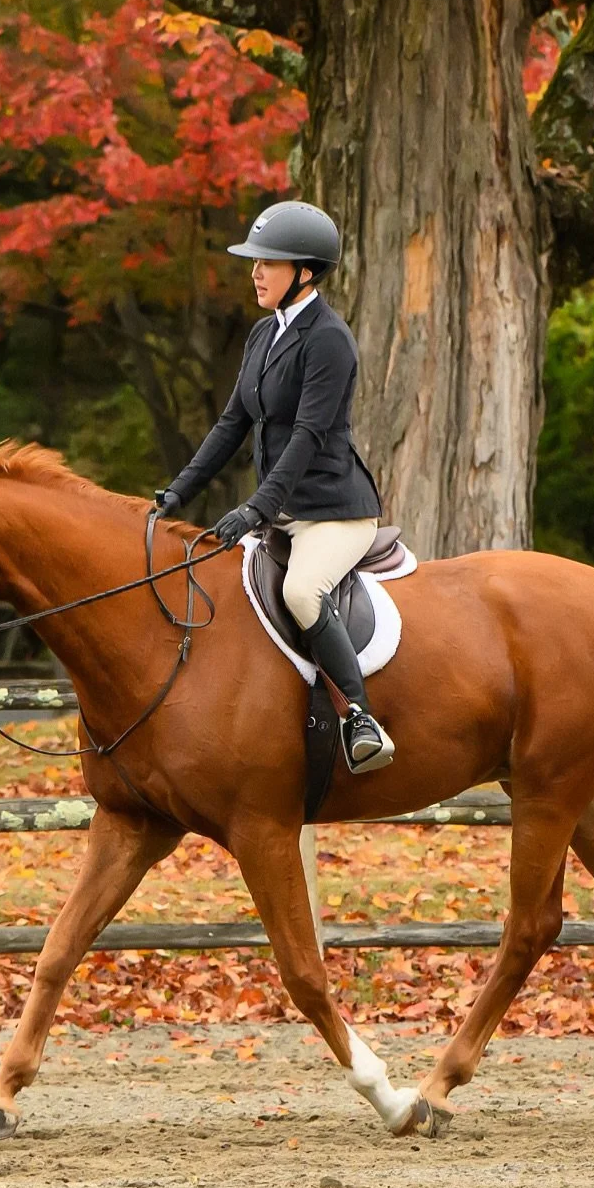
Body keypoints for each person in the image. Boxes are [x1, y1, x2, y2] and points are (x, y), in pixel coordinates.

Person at [153, 201, 394, 773]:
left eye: (269, 262)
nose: (256, 272)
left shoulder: (329, 340)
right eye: (254, 262)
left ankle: (360, 719)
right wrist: (174, 495)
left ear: (305, 272)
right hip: (283, 510)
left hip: (334, 512)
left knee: (301, 593)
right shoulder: (265, 334)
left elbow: (307, 437)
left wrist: (254, 508)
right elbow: (231, 424)